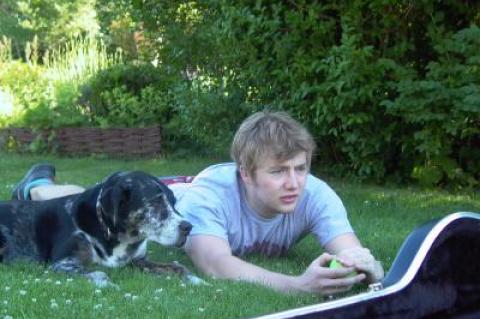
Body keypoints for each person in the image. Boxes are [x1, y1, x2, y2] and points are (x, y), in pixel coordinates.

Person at [10, 111, 384, 295]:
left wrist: (365, 267)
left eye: (300, 168)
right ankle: (37, 186)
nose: (294, 182)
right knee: (86, 199)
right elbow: (217, 264)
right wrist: (297, 285)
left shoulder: (314, 193)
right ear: (247, 173)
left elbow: (351, 249)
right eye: (278, 171)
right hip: (178, 192)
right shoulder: (207, 199)